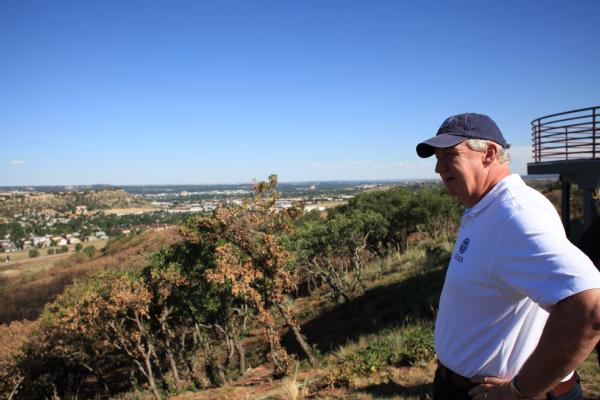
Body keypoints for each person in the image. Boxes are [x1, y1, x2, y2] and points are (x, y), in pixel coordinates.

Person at [415, 113, 600, 400]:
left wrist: (519, 391)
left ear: (488, 153)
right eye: (437, 158)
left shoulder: (515, 214)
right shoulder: (486, 207)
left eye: (450, 154)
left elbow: (591, 308)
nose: (439, 168)